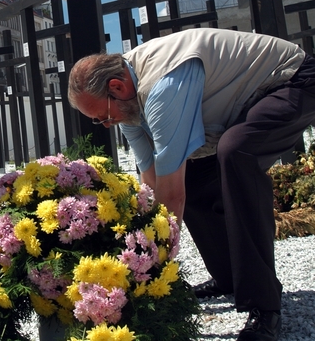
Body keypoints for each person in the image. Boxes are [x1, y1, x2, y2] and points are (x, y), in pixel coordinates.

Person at [68, 27, 315, 341]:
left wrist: (151, 272)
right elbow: (153, 182)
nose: (106, 124)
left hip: (291, 80)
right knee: (197, 176)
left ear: (116, 86)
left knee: (237, 152)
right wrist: (141, 249)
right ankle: (228, 278)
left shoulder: (162, 86)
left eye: (102, 117)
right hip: (246, 101)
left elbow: (173, 195)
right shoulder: (125, 102)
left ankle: (264, 306)